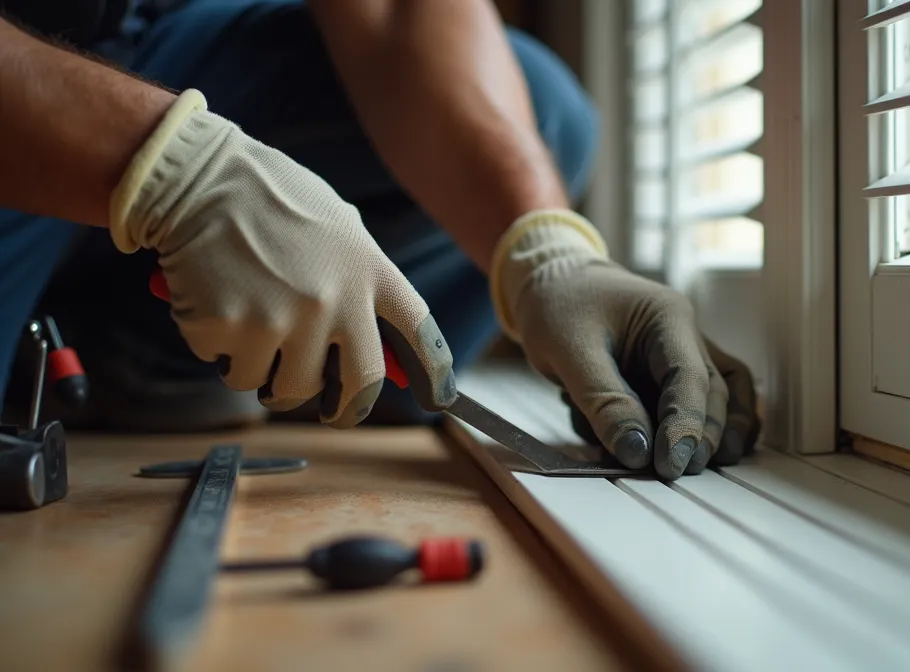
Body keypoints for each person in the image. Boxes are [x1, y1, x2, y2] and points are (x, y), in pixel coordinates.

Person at [0, 0, 760, 480]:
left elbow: (400, 12)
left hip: (135, 50)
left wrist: (549, 254)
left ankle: (147, 354)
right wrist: (175, 169)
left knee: (543, 115)